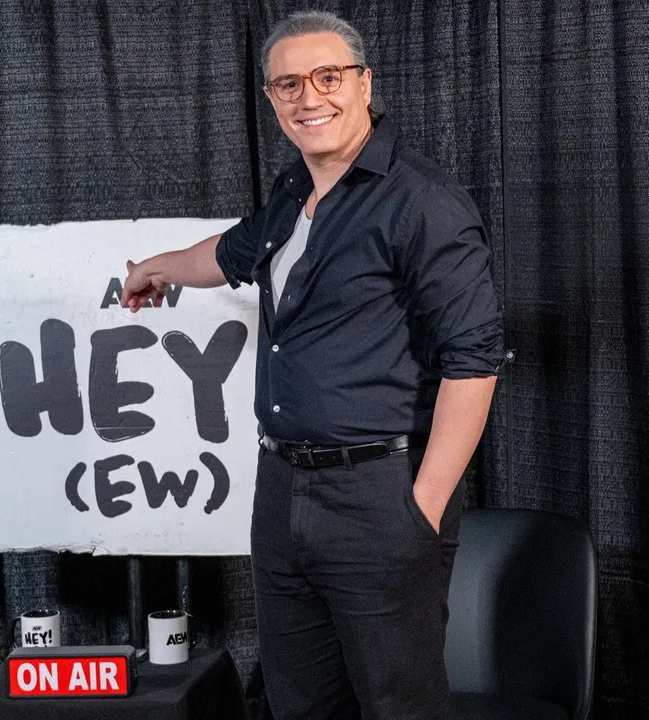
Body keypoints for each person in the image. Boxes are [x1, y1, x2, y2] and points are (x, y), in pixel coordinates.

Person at [120, 10, 504, 719]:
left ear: (365, 84)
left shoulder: (424, 202)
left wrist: (420, 511)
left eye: (328, 77)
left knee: (399, 706)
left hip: (378, 494)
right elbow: (230, 254)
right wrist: (156, 269)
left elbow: (473, 364)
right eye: (288, 84)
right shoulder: (293, 192)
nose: (309, 97)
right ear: (272, 99)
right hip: (282, 491)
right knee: (300, 704)